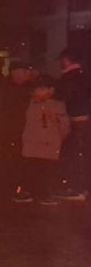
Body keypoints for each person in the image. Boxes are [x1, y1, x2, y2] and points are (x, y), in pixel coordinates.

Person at [17, 76, 70, 205]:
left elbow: (64, 125)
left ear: (51, 90)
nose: (37, 92)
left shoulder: (57, 105)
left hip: (50, 144)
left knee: (47, 171)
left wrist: (59, 138)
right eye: (35, 89)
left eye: (41, 89)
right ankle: (27, 191)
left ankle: (45, 194)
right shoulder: (29, 104)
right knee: (30, 169)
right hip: (31, 143)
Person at [55, 48, 90, 201]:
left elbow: (62, 99)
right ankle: (83, 188)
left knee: (75, 156)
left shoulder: (68, 78)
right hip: (85, 121)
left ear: (66, 60)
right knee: (83, 155)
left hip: (75, 122)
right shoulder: (85, 76)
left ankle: (76, 189)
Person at [0, 61, 35, 199]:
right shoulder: (5, 88)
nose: (26, 74)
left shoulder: (31, 88)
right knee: (13, 160)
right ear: (14, 73)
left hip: (27, 132)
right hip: (11, 132)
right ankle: (13, 190)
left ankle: (22, 188)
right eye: (23, 71)